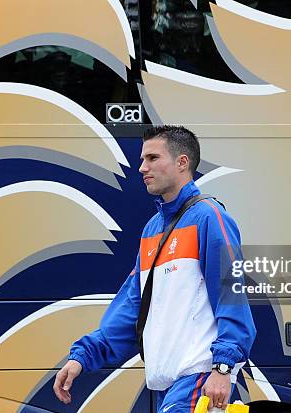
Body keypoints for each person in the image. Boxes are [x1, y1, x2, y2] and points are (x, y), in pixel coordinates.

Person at [53, 126, 256, 412]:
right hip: (166, 384)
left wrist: (222, 367)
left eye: (152, 158)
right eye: (142, 159)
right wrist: (83, 356)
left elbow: (231, 298)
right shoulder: (152, 229)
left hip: (197, 377)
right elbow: (133, 307)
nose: (142, 167)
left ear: (182, 162)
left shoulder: (209, 217)